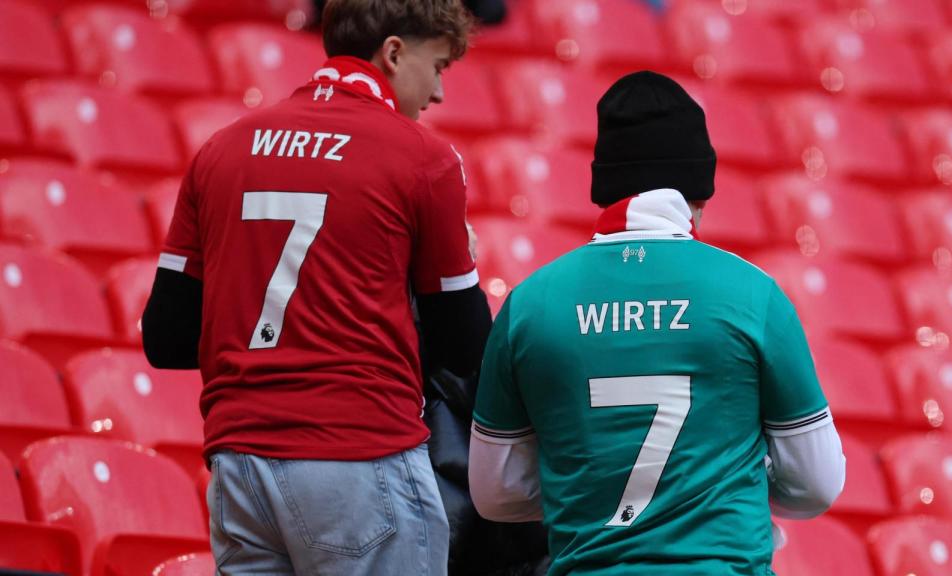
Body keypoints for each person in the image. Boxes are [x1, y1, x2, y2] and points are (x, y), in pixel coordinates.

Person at [142, 1, 490, 573]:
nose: (438, 94)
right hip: (360, 457)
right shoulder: (422, 157)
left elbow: (165, 338)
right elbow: (466, 348)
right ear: (393, 52)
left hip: (239, 466)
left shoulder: (221, 149)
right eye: (438, 67)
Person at [467, 71, 846, 575]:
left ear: (604, 189)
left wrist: (582, 485)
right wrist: (722, 482)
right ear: (700, 194)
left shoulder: (529, 305)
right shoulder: (754, 295)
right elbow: (818, 483)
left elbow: (494, 492)